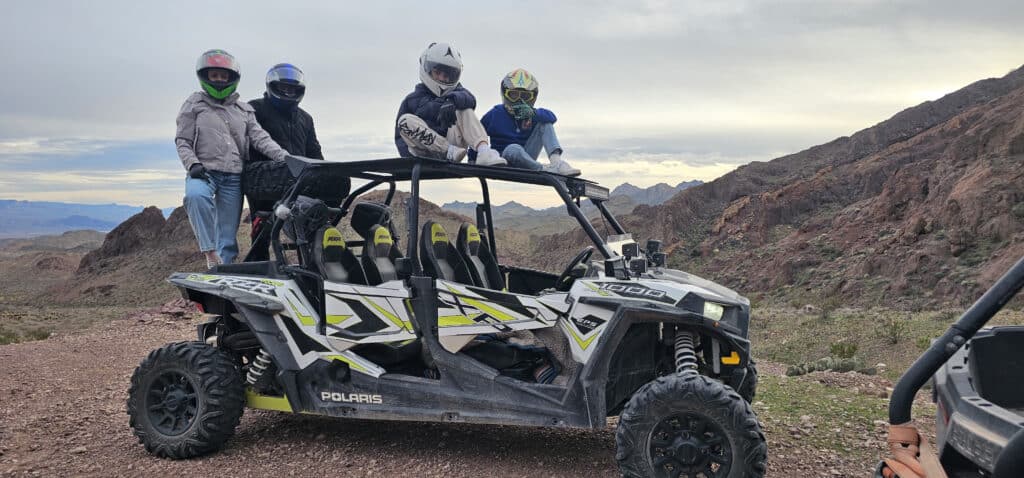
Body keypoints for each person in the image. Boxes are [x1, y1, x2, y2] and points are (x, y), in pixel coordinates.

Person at [175, 49, 289, 269]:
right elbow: (182, 140)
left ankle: (222, 278)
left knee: (228, 237)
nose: (218, 80)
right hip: (203, 171)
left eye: (223, 76)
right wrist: (192, 164)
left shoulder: (242, 110)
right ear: (205, 76)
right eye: (214, 75)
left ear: (231, 78)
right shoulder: (194, 104)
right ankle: (209, 253)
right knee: (195, 196)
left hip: (233, 176)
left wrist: (285, 157)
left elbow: (260, 138)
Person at [244, 63, 324, 261]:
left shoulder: (305, 118)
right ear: (272, 86)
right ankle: (258, 265)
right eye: (283, 88)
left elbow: (314, 150)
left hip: (299, 177)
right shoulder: (254, 109)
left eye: (292, 88)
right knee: (263, 226)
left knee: (314, 218)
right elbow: (244, 143)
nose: (288, 92)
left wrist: (325, 173)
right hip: (262, 178)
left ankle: (315, 264)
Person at [394, 42, 506, 166]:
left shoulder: (458, 92)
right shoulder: (411, 99)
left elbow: (470, 99)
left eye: (446, 75)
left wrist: (451, 101)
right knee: (404, 121)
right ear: (428, 70)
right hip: (423, 152)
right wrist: (409, 160)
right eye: (437, 73)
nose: (442, 78)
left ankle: (484, 152)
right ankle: (447, 150)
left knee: (464, 109)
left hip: (454, 150)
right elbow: (400, 136)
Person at [480, 68, 580, 176]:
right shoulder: (495, 113)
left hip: (527, 158)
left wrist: (532, 113)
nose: (519, 100)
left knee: (545, 123)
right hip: (502, 160)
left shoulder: (533, 115)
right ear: (505, 93)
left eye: (525, 96)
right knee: (513, 148)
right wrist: (473, 159)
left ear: (533, 97)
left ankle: (556, 163)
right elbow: (478, 133)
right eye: (514, 95)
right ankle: (543, 169)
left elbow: (552, 117)